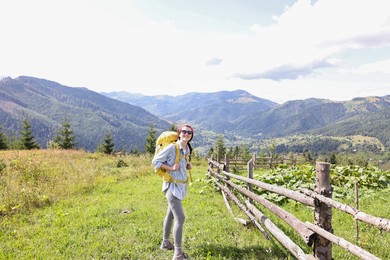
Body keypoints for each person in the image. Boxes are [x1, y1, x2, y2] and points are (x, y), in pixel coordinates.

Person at [152, 124, 194, 260]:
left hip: (180, 186)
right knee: (180, 218)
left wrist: (186, 165)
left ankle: (165, 243)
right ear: (179, 133)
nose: (187, 134)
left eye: (189, 132)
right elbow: (156, 162)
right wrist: (170, 167)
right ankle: (178, 254)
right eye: (184, 131)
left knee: (170, 215)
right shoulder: (172, 147)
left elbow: (179, 163)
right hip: (171, 186)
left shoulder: (186, 149)